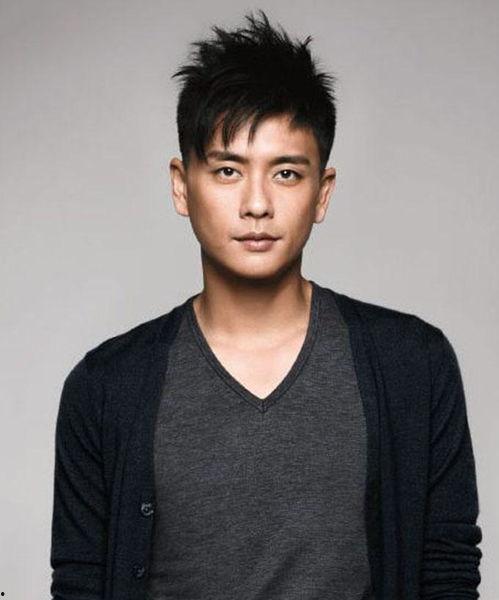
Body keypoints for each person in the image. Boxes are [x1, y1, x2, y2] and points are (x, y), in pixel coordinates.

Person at [49, 9, 482, 600]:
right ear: (182, 184)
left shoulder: (413, 365)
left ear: (322, 193)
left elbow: (447, 572)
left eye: (286, 174)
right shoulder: (105, 387)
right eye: (228, 170)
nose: (257, 204)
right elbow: (80, 582)